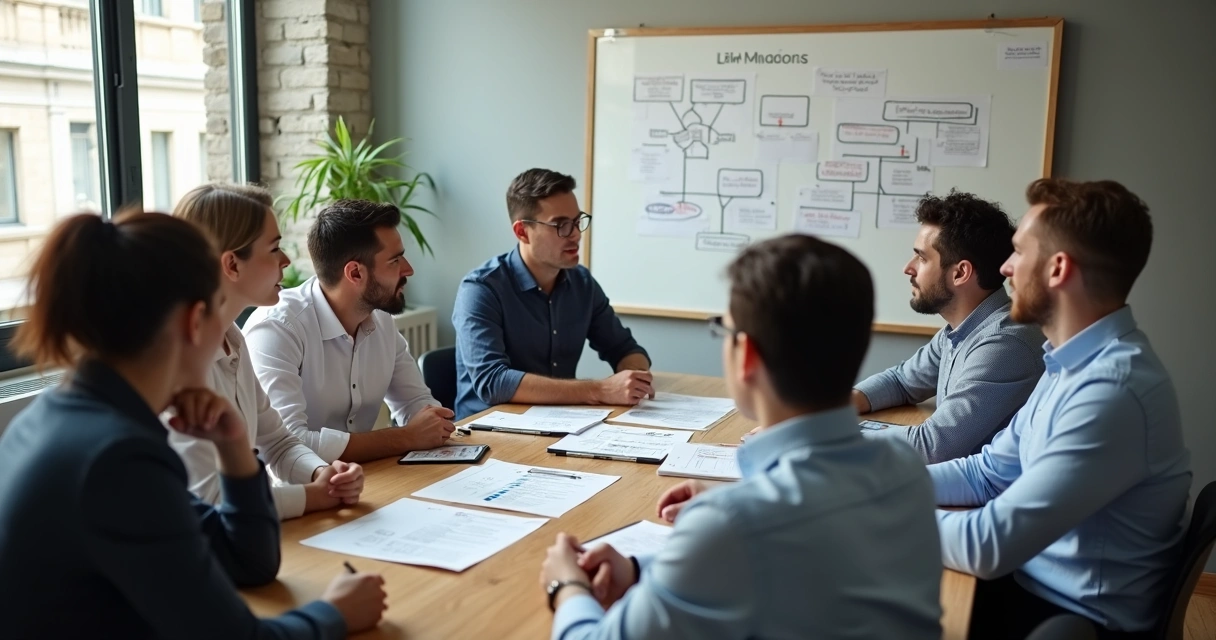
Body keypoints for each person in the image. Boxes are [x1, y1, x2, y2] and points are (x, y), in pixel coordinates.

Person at [0, 211, 386, 638]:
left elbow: (249, 563)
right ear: (193, 322)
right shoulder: (117, 458)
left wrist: (236, 448)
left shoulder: (59, 416)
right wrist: (335, 614)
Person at [539, 234, 942, 639]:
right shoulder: (904, 467)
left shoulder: (729, 525)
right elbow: (810, 570)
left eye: (723, 329)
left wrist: (567, 585)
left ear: (746, 355)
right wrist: (641, 569)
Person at [931, 179, 1191, 639]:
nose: (1006, 268)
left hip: (1068, 622)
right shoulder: (1067, 363)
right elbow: (987, 473)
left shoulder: (1112, 391)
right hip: (1030, 587)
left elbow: (988, 546)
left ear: (1057, 270)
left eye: (1017, 252)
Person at [170, 184, 365, 520]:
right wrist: (314, 497)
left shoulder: (234, 339)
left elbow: (277, 442)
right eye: (274, 248)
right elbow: (211, 500)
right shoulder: (178, 365)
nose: (286, 260)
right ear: (232, 265)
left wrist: (322, 474)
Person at [244, 199, 455, 463]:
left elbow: (417, 404)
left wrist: (432, 424)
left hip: (366, 479)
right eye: (395, 260)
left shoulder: (381, 321)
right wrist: (406, 437)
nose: (408, 269)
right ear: (355, 273)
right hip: (299, 495)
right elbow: (289, 443)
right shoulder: (277, 329)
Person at [851, 191, 1044, 462]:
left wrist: (831, 432)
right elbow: (902, 381)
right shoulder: (960, 329)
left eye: (921, 258)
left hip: (979, 495)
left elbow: (931, 446)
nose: (908, 268)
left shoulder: (1005, 343)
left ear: (960, 273)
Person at [452, 168, 652, 420]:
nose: (576, 235)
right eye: (561, 225)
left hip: (561, 423)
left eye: (578, 221)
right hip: (489, 432)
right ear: (522, 232)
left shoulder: (582, 282)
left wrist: (634, 378)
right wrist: (599, 390)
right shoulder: (481, 289)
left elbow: (624, 348)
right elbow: (493, 382)